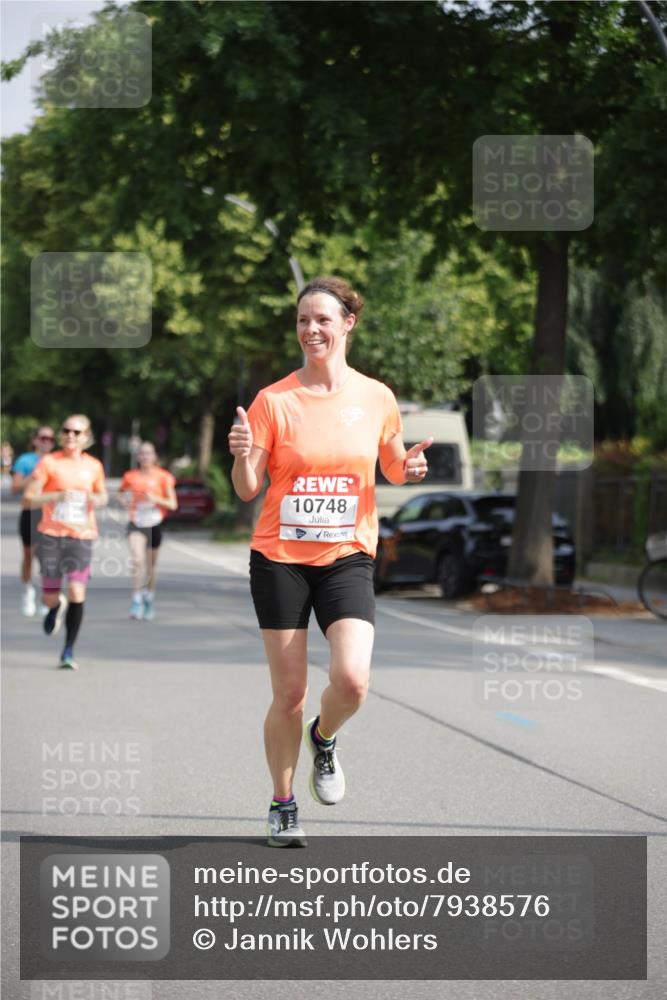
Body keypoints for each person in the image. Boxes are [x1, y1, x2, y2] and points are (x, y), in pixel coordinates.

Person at [228, 276, 432, 847]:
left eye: (322, 319)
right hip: (280, 558)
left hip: (347, 554)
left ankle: (325, 736)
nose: (311, 330)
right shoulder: (275, 400)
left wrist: (409, 469)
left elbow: (392, 467)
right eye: (302, 321)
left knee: (353, 680)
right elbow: (248, 489)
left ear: (348, 324)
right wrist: (243, 456)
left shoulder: (376, 397)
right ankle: (283, 802)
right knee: (288, 692)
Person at [23, 414, 107, 670]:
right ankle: (53, 606)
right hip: (50, 535)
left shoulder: (93, 466)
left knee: (76, 592)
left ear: (86, 437)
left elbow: (103, 496)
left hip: (81, 536)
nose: (70, 435)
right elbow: (28, 498)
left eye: (76, 432)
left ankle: (68, 650)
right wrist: (56, 495)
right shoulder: (49, 462)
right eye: (67, 430)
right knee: (51, 595)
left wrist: (91, 498)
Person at [118, 441, 177, 620]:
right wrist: (124, 501)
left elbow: (173, 504)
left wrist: (155, 498)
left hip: (154, 523)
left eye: (148, 453)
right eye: (142, 453)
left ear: (154, 456)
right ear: (138, 457)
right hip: (136, 523)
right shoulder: (130, 476)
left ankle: (149, 598)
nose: (145, 456)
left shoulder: (164, 477)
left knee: (151, 567)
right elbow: (120, 493)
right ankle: (136, 599)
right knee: (137, 561)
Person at [11, 426, 55, 616]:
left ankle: (47, 597)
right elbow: (15, 488)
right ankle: (27, 591)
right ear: (36, 440)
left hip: (50, 515)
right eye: (43, 438)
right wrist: (36, 473)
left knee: (46, 557)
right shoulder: (25, 460)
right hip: (30, 513)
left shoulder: (57, 461)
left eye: (51, 439)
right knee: (29, 556)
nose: (46, 442)